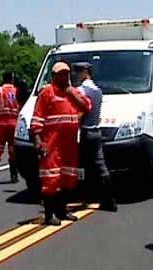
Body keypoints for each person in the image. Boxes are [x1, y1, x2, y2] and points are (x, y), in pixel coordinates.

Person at [31, 61, 91, 226]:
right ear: (54, 76)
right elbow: (37, 119)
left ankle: (62, 210)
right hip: (52, 143)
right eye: (60, 74)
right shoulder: (47, 92)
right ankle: (50, 214)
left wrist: (72, 93)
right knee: (51, 179)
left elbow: (87, 106)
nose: (64, 76)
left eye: (66, 73)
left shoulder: (73, 92)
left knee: (67, 178)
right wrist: (38, 142)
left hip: (69, 144)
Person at [73, 62, 117, 212]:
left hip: (85, 131)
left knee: (83, 166)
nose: (77, 75)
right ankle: (109, 199)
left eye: (79, 72)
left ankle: (86, 197)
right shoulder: (97, 90)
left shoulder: (80, 91)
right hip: (96, 131)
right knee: (100, 165)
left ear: (85, 72)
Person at [0, 71, 20, 187]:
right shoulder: (17, 90)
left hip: (1, 125)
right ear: (12, 79)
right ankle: (14, 175)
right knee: (13, 151)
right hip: (14, 124)